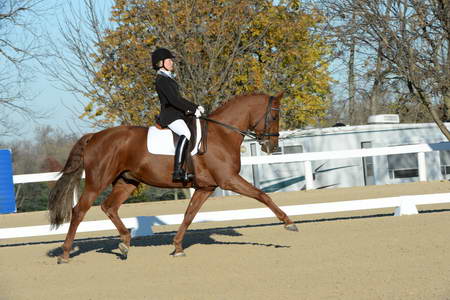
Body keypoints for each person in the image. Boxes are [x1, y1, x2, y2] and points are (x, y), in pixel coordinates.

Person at [151, 47, 205, 182]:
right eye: (168, 60)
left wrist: (195, 107)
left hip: (177, 114)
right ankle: (177, 171)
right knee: (186, 134)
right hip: (170, 116)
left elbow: (179, 99)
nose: (171, 63)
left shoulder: (168, 78)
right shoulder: (161, 79)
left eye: (171, 61)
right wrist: (193, 109)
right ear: (160, 63)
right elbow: (174, 100)